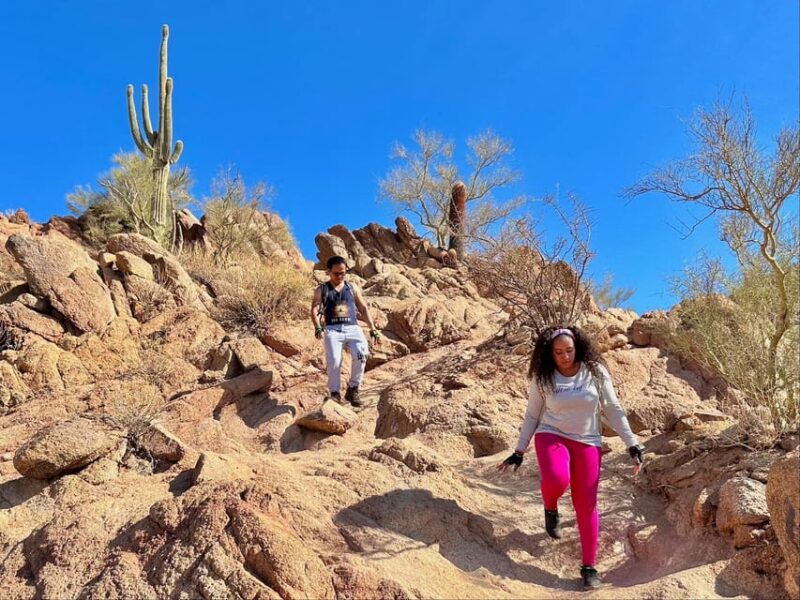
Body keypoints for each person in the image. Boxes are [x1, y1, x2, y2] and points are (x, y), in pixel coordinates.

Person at [498, 325, 645, 591]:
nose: (565, 356)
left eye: (569, 350)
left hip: (588, 441)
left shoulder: (595, 372)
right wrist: (519, 450)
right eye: (558, 353)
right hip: (551, 435)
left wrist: (632, 443)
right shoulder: (544, 378)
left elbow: (612, 408)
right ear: (549, 354)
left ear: (577, 347)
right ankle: (550, 506)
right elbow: (532, 416)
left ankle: (589, 567)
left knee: (586, 505)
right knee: (557, 478)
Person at [310, 256, 381, 407]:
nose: (340, 276)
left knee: (362, 355)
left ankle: (353, 389)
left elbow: (363, 308)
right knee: (334, 360)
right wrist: (317, 326)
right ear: (328, 272)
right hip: (332, 329)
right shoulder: (322, 289)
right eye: (336, 273)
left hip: (353, 328)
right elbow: (315, 308)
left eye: (343, 273)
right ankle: (334, 393)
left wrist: (373, 329)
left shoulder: (352, 287)